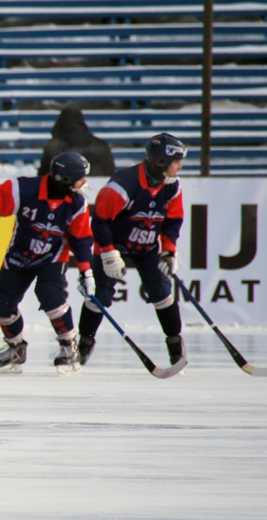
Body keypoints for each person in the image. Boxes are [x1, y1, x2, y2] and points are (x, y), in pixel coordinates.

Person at [76, 134, 187, 367]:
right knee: (98, 295)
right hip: (114, 244)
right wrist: (108, 253)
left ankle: (176, 346)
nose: (180, 166)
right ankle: (83, 344)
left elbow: (173, 220)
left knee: (162, 291)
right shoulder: (122, 186)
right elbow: (100, 221)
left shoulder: (172, 186)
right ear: (161, 162)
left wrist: (169, 250)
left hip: (147, 248)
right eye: (176, 161)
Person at [0, 152, 95, 374]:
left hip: (52, 256)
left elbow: (81, 239)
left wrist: (86, 272)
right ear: (64, 179)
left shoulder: (77, 203)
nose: (84, 183)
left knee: (49, 295)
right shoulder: (23, 189)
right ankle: (16, 348)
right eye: (80, 179)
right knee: (1, 304)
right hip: (20, 254)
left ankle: (69, 347)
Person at [37, 104, 116, 178]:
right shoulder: (101, 145)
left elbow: (43, 177)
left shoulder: (53, 147)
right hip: (97, 186)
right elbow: (109, 173)